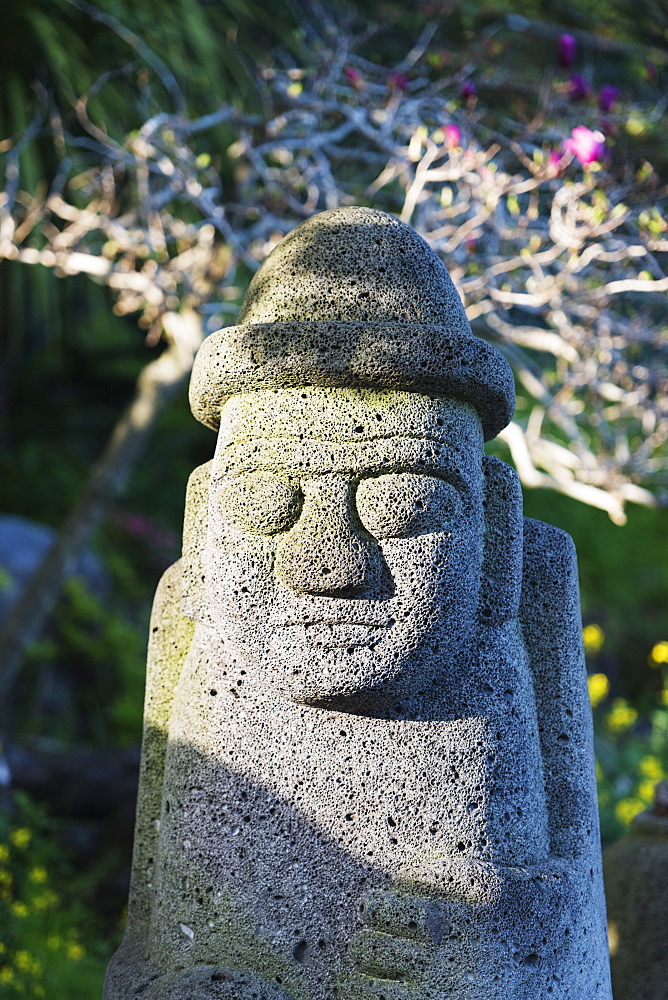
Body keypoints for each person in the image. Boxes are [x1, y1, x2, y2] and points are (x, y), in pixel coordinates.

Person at [105, 208, 611, 999]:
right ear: (202, 523)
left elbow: (576, 946)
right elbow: (141, 951)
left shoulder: (530, 590)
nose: (331, 564)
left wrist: (514, 946)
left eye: (405, 506)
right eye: (268, 503)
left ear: (499, 535)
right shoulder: (189, 607)